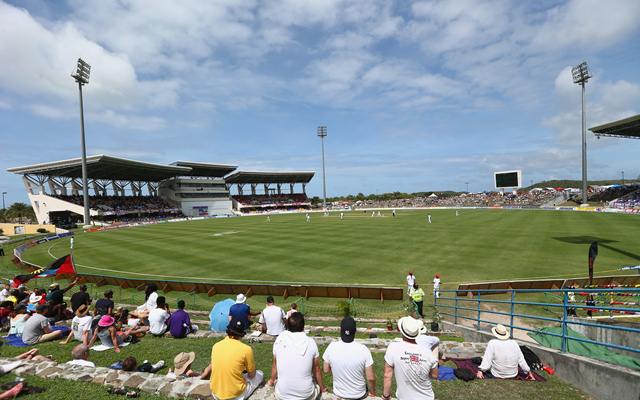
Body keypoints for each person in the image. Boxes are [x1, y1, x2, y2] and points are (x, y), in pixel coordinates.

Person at [268, 312, 325, 400]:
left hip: (283, 395)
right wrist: (322, 388)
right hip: (306, 395)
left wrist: (271, 381)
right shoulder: (310, 342)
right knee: (313, 380)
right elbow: (316, 369)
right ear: (303, 326)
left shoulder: (280, 339)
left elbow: (275, 365)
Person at [207, 316, 263, 400]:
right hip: (235, 395)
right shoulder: (246, 349)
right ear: (242, 333)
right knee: (259, 374)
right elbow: (252, 375)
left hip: (216, 393)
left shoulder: (216, 346)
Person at [383, 316, 438, 400]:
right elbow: (435, 375)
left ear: (402, 331)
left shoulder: (393, 347)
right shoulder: (427, 352)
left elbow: (387, 375)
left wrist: (386, 396)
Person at [323, 316, 376, 398]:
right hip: (359, 395)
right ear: (355, 331)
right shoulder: (364, 349)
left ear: (341, 330)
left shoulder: (332, 347)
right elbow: (370, 378)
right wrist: (372, 392)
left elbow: (326, 370)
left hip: (339, 393)